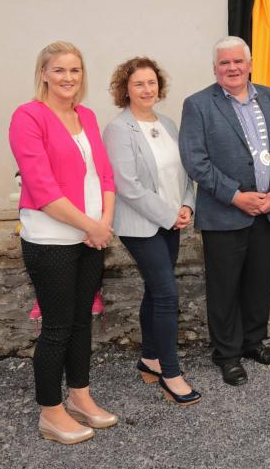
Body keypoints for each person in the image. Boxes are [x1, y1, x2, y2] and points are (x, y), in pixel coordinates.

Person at [9, 41, 117, 444]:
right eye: (59, 71)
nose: (68, 78)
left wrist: (102, 223)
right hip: (51, 237)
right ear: (44, 74)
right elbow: (41, 187)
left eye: (74, 71)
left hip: (91, 236)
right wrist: (92, 225)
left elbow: (105, 176)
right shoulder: (28, 117)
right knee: (56, 327)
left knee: (80, 322)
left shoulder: (86, 115)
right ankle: (51, 413)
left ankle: (80, 397)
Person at [179, 36, 270, 386]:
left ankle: (253, 342)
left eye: (238, 62)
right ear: (215, 68)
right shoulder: (198, 105)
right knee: (224, 287)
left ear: (249, 64)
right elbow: (195, 160)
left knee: (259, 282)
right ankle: (227, 354)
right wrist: (235, 196)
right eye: (224, 63)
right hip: (226, 213)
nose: (232, 68)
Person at [103, 57, 201, 405]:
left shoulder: (169, 124)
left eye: (151, 83)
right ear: (125, 90)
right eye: (138, 84)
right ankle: (171, 374)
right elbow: (127, 185)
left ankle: (149, 358)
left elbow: (187, 173)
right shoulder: (119, 129)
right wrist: (169, 215)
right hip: (141, 226)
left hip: (173, 220)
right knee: (167, 294)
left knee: (155, 291)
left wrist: (188, 206)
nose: (147, 89)